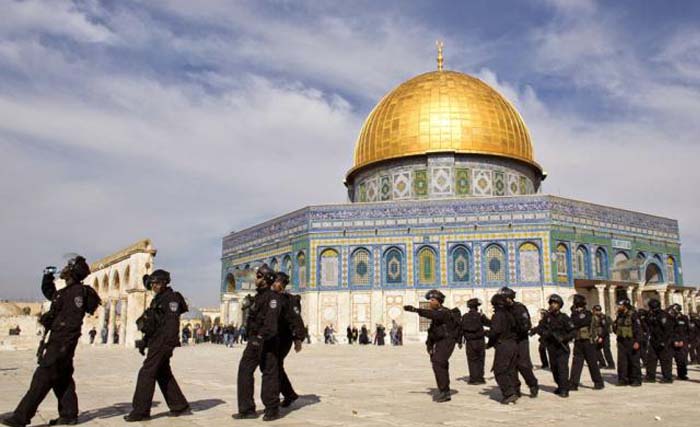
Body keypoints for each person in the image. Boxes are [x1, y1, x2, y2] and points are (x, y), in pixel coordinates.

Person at [2, 255, 100, 427]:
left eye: (68, 267)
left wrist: (60, 341)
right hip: (60, 342)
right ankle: (69, 415)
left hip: (61, 343)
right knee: (63, 378)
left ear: (74, 272)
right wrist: (47, 277)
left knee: (42, 378)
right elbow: (53, 296)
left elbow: (70, 322)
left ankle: (20, 417)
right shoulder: (67, 291)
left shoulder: (76, 293)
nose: (64, 269)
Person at [124, 269, 190, 422]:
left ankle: (140, 411)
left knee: (146, 373)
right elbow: (154, 324)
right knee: (162, 373)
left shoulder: (171, 298)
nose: (153, 286)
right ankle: (179, 405)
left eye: (156, 283)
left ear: (164, 283)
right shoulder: (158, 299)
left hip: (163, 342)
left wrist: (168, 344)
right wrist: (145, 342)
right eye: (152, 283)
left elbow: (172, 324)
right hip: (156, 341)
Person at [234, 264, 282, 421]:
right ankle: (247, 409)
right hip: (255, 340)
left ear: (266, 279)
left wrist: (261, 337)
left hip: (267, 341)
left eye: (259, 276)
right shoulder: (258, 297)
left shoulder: (272, 298)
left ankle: (272, 409)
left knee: (269, 374)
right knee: (245, 371)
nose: (256, 278)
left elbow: (271, 322)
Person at [403, 290, 460, 403]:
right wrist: (429, 345)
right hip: (439, 342)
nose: (430, 303)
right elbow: (432, 332)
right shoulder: (437, 316)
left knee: (439, 362)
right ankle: (444, 390)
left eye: (432, 300)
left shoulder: (444, 312)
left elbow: (432, 314)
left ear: (439, 301)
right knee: (438, 364)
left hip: (447, 341)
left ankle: (444, 392)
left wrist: (416, 310)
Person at [271, 272, 305, 408]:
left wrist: (298, 339)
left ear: (282, 284)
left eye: (276, 281)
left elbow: (296, 320)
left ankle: (287, 394)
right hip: (273, 337)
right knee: (274, 366)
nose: (274, 284)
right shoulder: (272, 297)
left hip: (284, 338)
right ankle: (289, 393)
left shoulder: (289, 299)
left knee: (275, 365)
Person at [531, 294, 574, 398]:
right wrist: (540, 332)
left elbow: (573, 332)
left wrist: (564, 338)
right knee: (554, 368)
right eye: (552, 303)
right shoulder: (547, 318)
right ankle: (560, 385)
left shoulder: (564, 318)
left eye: (555, 303)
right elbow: (540, 327)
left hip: (562, 347)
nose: (553, 305)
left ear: (560, 305)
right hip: (551, 347)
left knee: (562, 368)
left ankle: (564, 389)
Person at [499, 287, 538, 398]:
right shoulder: (503, 310)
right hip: (509, 340)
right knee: (511, 365)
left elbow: (527, 324)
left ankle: (532, 384)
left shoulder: (519, 308)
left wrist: (518, 328)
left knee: (523, 364)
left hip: (521, 340)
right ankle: (515, 389)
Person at [487, 294, 518, 404]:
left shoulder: (498, 315)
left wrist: (488, 340)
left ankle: (509, 393)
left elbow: (495, 331)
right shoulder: (510, 314)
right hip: (513, 344)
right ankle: (514, 390)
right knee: (509, 370)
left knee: (499, 370)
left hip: (504, 345)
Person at [568, 295, 604, 391]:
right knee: (576, 363)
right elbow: (572, 324)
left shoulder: (587, 314)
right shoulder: (574, 314)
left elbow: (580, 322)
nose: (577, 307)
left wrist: (575, 321)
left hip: (588, 341)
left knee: (592, 362)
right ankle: (573, 383)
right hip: (578, 341)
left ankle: (598, 382)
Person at [612, 297, 642, 387]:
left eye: (620, 305)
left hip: (631, 340)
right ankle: (623, 379)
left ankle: (636, 379)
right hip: (621, 341)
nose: (618, 306)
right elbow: (616, 326)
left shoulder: (633, 315)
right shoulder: (620, 315)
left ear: (625, 305)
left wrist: (637, 341)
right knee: (622, 361)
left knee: (634, 361)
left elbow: (638, 329)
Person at [461, 298, 490, 385]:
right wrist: (483, 316)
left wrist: (460, 341)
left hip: (469, 342)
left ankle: (473, 378)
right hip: (480, 341)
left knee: (471, 360)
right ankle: (480, 378)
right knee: (480, 359)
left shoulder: (465, 316)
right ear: (477, 307)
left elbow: (461, 329)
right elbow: (489, 323)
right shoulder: (480, 316)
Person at [643, 298, 673, 383]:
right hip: (654, 339)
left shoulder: (663, 315)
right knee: (651, 359)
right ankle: (650, 376)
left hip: (663, 340)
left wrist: (664, 341)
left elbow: (668, 330)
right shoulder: (651, 315)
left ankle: (667, 377)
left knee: (665, 359)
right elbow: (648, 325)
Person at [668, 303, 689, 380]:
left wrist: (684, 341)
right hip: (671, 341)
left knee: (681, 359)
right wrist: (674, 341)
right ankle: (668, 375)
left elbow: (687, 330)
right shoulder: (669, 318)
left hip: (682, 341)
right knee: (668, 360)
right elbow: (669, 331)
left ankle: (682, 374)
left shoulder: (684, 318)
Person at [592, 305, 614, 369]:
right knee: (596, 349)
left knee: (606, 350)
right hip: (599, 336)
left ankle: (611, 364)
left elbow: (605, 328)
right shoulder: (595, 317)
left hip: (604, 336)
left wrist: (601, 337)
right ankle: (602, 363)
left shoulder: (603, 317)